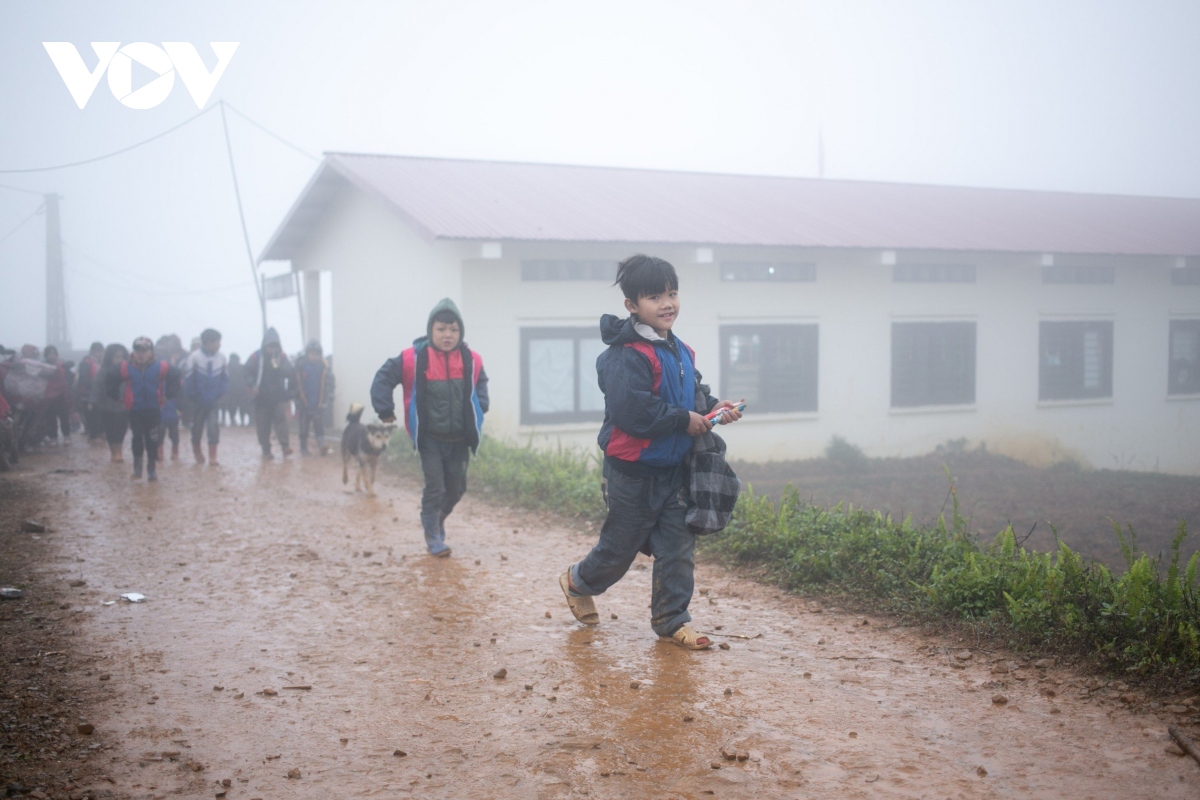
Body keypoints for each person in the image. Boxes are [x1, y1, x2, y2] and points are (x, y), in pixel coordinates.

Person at [557, 255, 742, 650]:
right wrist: (683, 419)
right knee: (620, 548)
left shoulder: (680, 350)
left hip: (673, 468)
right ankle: (578, 581)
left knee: (678, 545)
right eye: (655, 296)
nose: (667, 303)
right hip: (632, 470)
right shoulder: (627, 356)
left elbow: (693, 393)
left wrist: (712, 408)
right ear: (632, 306)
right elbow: (634, 413)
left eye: (672, 293)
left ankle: (672, 620)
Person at [371, 299, 489, 557]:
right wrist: (385, 409)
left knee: (456, 489)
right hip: (430, 439)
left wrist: (482, 404)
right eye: (441, 329)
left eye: (454, 330)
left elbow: (480, 381)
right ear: (430, 330)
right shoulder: (414, 358)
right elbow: (384, 377)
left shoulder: (471, 359)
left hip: (459, 439)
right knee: (435, 486)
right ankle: (432, 534)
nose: (448, 335)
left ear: (461, 333)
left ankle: (435, 519)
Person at [107, 336, 180, 481]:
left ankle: (151, 469)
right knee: (137, 438)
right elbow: (110, 379)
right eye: (137, 350)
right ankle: (138, 468)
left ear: (151, 353)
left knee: (152, 440)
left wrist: (169, 395)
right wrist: (116, 397)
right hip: (134, 410)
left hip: (154, 409)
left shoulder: (160, 366)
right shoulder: (125, 367)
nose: (141, 354)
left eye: (144, 351)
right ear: (133, 352)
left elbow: (176, 375)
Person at [245, 328, 294, 458]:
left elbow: (290, 372)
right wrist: (252, 385)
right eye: (270, 346)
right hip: (261, 396)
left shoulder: (282, 357)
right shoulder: (256, 357)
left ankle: (285, 446)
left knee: (281, 420)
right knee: (263, 425)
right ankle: (266, 449)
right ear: (265, 345)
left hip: (278, 396)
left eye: (275, 346)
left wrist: (280, 366)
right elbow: (246, 371)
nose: (272, 349)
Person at [182, 328, 229, 465]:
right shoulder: (194, 357)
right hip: (198, 401)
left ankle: (213, 457)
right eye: (218, 342)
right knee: (197, 428)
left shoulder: (221, 358)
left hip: (214, 401)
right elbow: (188, 380)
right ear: (209, 342)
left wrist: (220, 393)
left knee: (213, 427)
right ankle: (197, 450)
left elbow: (225, 379)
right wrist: (193, 396)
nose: (220, 344)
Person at [295, 341, 334, 455]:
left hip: (318, 401)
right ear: (307, 354)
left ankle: (322, 446)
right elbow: (295, 383)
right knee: (304, 425)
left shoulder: (323, 367)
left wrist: (330, 394)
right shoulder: (301, 366)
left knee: (318, 424)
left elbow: (330, 382)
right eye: (311, 354)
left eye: (315, 354)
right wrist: (295, 397)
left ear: (319, 354)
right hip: (304, 400)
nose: (313, 356)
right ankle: (303, 447)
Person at [92, 343, 129, 463]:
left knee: (122, 430)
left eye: (121, 357)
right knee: (110, 431)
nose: (119, 360)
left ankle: (119, 451)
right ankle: (114, 451)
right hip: (106, 407)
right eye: (116, 357)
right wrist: (92, 401)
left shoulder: (128, 371)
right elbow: (96, 387)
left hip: (123, 407)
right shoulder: (103, 371)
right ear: (109, 357)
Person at [41, 345, 73, 446]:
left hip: (62, 396)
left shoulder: (62, 365)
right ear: (46, 355)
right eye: (50, 354)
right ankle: (53, 437)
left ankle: (67, 436)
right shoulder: (42, 367)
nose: (52, 356)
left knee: (64, 418)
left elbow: (70, 377)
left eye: (54, 354)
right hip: (49, 397)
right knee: (51, 418)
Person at [76, 342, 105, 443]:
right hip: (88, 394)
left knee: (101, 414)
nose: (99, 353)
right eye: (97, 351)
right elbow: (84, 379)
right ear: (92, 351)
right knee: (92, 415)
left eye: (101, 350)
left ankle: (100, 433)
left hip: (101, 394)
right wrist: (96, 386)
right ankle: (93, 436)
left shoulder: (104, 363)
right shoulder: (86, 362)